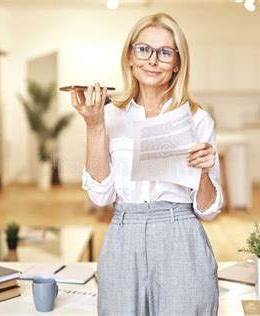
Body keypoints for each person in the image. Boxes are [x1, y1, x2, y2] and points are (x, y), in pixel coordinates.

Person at [70, 12, 223, 316]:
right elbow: (101, 196)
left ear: (178, 62)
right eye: (144, 49)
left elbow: (208, 210)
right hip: (124, 235)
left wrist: (204, 171)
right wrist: (95, 126)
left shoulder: (197, 119)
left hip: (180, 235)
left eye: (165, 52)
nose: (152, 60)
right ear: (130, 55)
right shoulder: (110, 116)